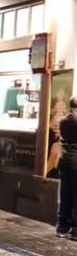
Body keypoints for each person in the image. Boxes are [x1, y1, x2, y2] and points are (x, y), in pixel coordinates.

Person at [57, 97, 77, 238]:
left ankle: (62, 227)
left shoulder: (63, 120)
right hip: (76, 164)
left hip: (64, 163)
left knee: (65, 195)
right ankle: (75, 230)